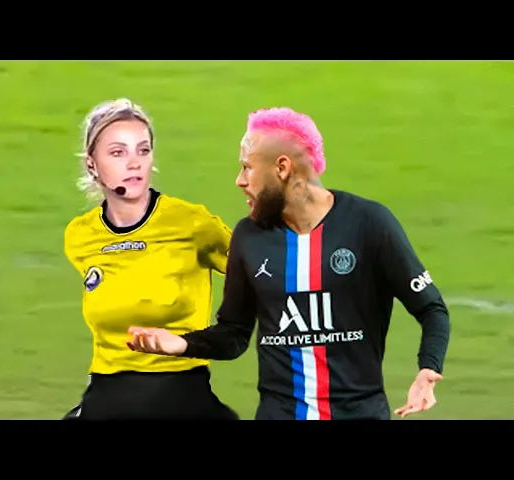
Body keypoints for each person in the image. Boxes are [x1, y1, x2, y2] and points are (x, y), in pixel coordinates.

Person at [127, 106, 451, 420]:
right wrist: (182, 343)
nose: (240, 180)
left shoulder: (369, 224)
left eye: (247, 167)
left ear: (282, 168)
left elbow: (432, 309)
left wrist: (428, 369)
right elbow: (234, 334)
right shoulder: (249, 237)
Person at [61, 98, 238, 420]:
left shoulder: (192, 224)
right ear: (92, 164)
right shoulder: (80, 235)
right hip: (107, 393)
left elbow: (260, 272)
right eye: (118, 153)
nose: (134, 163)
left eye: (143, 151)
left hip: (181, 392)